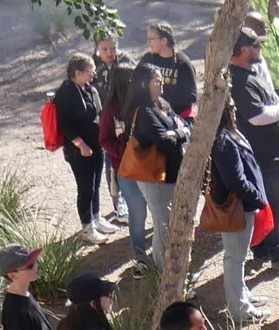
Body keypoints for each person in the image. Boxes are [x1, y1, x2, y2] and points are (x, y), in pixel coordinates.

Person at [225, 31, 279, 274]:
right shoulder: (241, 81)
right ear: (245, 49)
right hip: (265, 159)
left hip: (268, 156)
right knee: (276, 206)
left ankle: (262, 248)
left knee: (270, 204)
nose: (260, 50)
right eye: (257, 45)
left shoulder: (247, 75)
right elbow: (257, 117)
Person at [208, 102, 269, 324]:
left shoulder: (231, 135)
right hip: (237, 208)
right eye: (231, 107)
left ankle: (243, 296)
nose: (235, 109)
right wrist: (257, 197)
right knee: (235, 258)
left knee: (239, 257)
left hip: (244, 206)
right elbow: (235, 181)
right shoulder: (224, 142)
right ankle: (239, 310)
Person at [121, 81, 188, 276]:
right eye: (156, 81)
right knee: (163, 225)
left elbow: (185, 125)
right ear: (144, 84)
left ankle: (168, 270)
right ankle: (163, 273)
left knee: (167, 223)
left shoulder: (161, 104)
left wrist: (178, 132)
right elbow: (165, 142)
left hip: (169, 175)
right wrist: (180, 133)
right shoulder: (144, 112)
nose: (161, 84)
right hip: (154, 177)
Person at [49, 54, 112, 239]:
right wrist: (81, 145)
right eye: (90, 71)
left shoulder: (89, 89)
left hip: (96, 145)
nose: (93, 74)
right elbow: (65, 125)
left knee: (95, 184)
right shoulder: (66, 93)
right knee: (85, 187)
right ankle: (87, 226)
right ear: (78, 73)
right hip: (79, 150)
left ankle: (96, 217)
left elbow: (98, 114)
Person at [139, 21, 197, 119]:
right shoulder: (148, 59)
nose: (148, 43)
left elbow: (191, 96)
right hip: (153, 113)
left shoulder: (183, 63)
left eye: (151, 39)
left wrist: (164, 101)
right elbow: (137, 83)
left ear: (164, 41)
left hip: (178, 116)